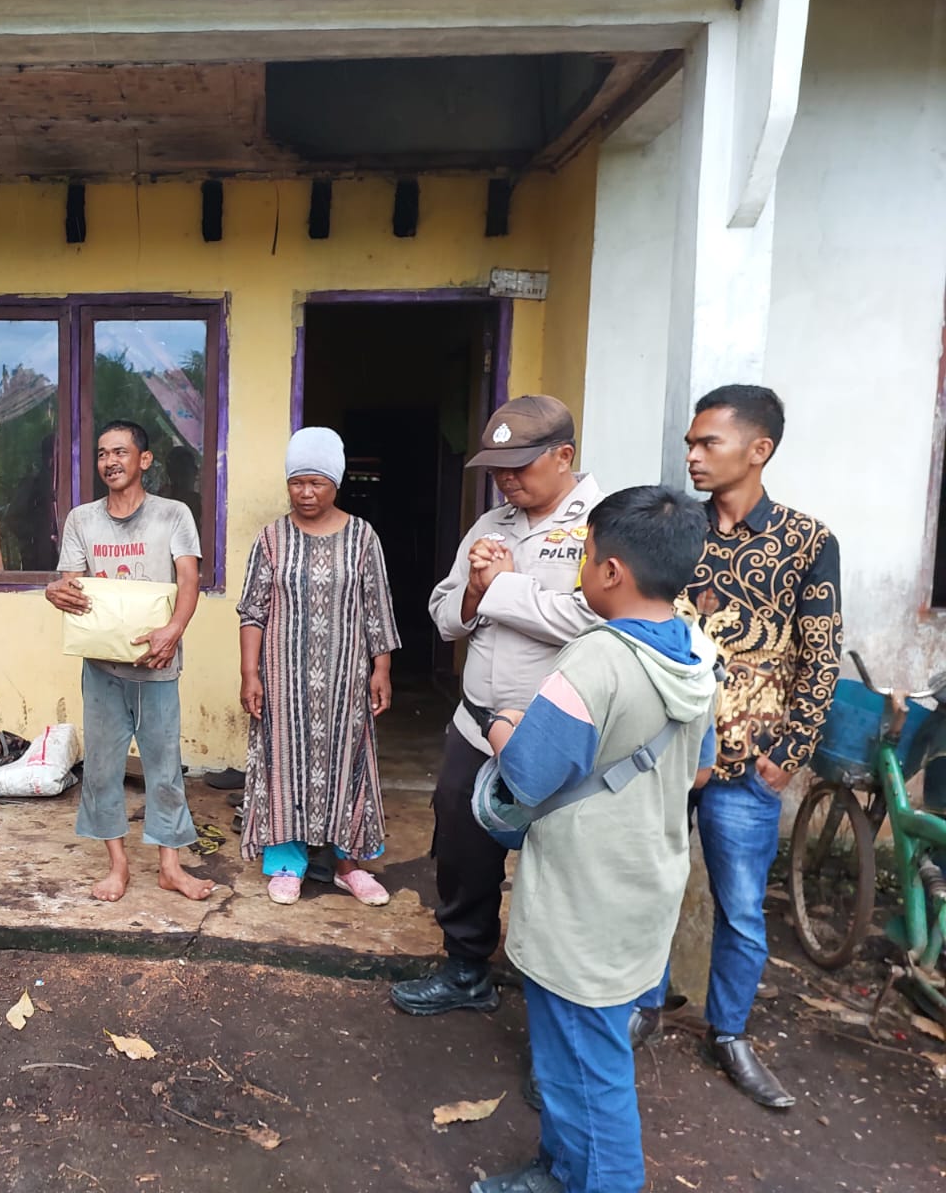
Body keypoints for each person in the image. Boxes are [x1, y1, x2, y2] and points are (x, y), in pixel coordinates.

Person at [470, 485, 717, 1193]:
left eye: (585, 555)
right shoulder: (698, 653)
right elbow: (700, 771)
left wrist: (501, 725)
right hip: (644, 885)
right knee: (571, 1058)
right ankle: (559, 1169)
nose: (581, 568)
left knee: (589, 1068)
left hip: (584, 898)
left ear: (611, 571)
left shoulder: (594, 662)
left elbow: (526, 776)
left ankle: (599, 1178)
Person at [631, 385, 842, 1108]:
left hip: (749, 761)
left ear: (759, 449)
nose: (692, 455)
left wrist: (790, 752)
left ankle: (730, 1033)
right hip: (663, 751)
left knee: (744, 908)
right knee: (649, 886)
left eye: (707, 443)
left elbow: (821, 657)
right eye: (690, 443)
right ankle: (643, 1009)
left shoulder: (808, 542)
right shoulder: (676, 530)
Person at [391, 395, 603, 1017]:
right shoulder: (490, 524)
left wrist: (502, 588)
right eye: (496, 470)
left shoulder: (602, 524)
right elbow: (444, 615)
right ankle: (466, 969)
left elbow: (595, 620)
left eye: (519, 466)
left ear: (563, 455)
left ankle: (560, 995)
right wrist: (475, 593)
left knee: (561, 861)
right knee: (463, 849)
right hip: (477, 723)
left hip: (555, 731)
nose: (506, 480)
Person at [45, 420, 214, 903]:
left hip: (157, 664)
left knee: (164, 768)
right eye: (102, 454)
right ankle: (117, 866)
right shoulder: (82, 520)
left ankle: (170, 867)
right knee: (101, 769)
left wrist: (174, 630)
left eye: (120, 452)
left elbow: (188, 580)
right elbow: (71, 584)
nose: (110, 461)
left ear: (144, 460)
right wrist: (55, 591)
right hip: (102, 667)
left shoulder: (173, 515)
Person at [237, 427, 401, 906]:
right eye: (297, 483)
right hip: (282, 680)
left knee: (349, 763)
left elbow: (377, 609)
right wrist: (250, 674)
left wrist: (382, 670)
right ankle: (287, 863)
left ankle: (349, 865)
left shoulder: (362, 537)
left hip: (346, 680)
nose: (305, 493)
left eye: (317, 483)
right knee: (283, 762)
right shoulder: (271, 539)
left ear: (336, 482)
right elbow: (252, 612)